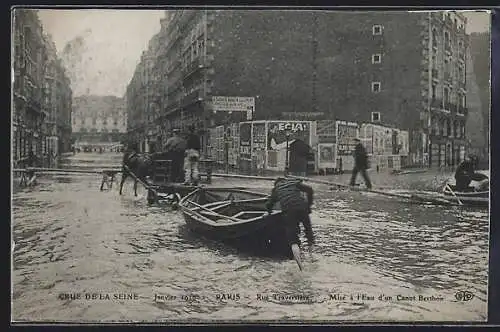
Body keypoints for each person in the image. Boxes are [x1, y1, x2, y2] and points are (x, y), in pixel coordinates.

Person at [265, 177, 315, 249]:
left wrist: (269, 212)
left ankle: (297, 256)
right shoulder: (293, 183)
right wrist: (309, 205)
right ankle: (312, 252)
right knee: (308, 231)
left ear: (276, 184)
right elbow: (310, 189)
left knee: (293, 239)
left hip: (289, 211)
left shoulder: (276, 189)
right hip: (303, 208)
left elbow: (269, 204)